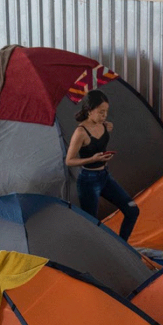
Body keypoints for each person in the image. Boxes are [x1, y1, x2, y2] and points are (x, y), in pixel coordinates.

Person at [64, 90, 140, 241]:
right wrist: (92, 159)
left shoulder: (104, 125)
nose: (104, 115)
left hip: (104, 176)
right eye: (101, 112)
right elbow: (69, 161)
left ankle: (122, 245)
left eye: (106, 111)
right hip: (88, 180)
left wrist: (104, 156)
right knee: (92, 225)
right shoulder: (80, 132)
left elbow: (102, 140)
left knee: (132, 210)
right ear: (89, 110)